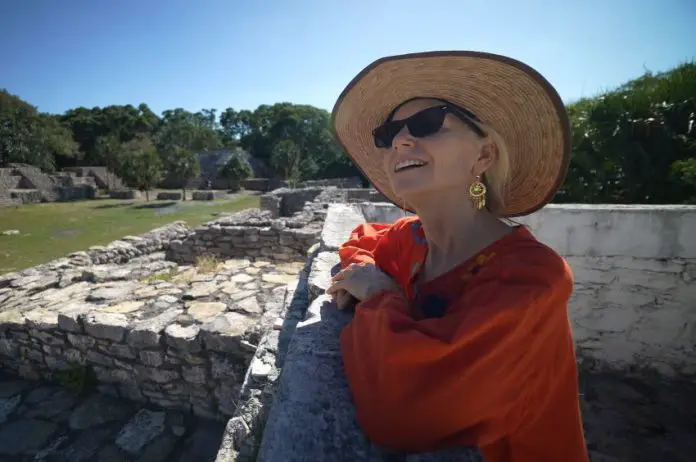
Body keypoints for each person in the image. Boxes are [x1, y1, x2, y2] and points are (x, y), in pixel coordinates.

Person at [326, 51, 589, 462]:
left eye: (428, 124)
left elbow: (407, 412)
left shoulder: (532, 277)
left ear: (484, 156)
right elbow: (362, 241)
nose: (399, 141)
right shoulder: (411, 240)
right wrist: (363, 272)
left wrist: (378, 294)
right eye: (388, 133)